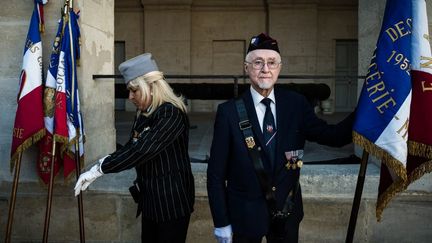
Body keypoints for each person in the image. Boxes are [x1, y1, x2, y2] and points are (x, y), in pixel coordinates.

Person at [206, 33, 355, 243]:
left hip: (287, 214)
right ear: (246, 67)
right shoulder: (228, 112)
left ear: (280, 67)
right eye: (258, 62)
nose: (265, 69)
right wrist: (221, 222)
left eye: (271, 62)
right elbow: (215, 175)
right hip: (245, 217)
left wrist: (365, 111)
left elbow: (335, 137)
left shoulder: (296, 104)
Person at [74, 53, 195, 243]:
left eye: (134, 90)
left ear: (152, 87)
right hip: (151, 202)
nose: (130, 97)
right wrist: (105, 158)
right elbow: (132, 146)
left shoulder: (170, 113)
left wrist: (100, 169)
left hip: (171, 204)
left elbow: (141, 150)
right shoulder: (145, 112)